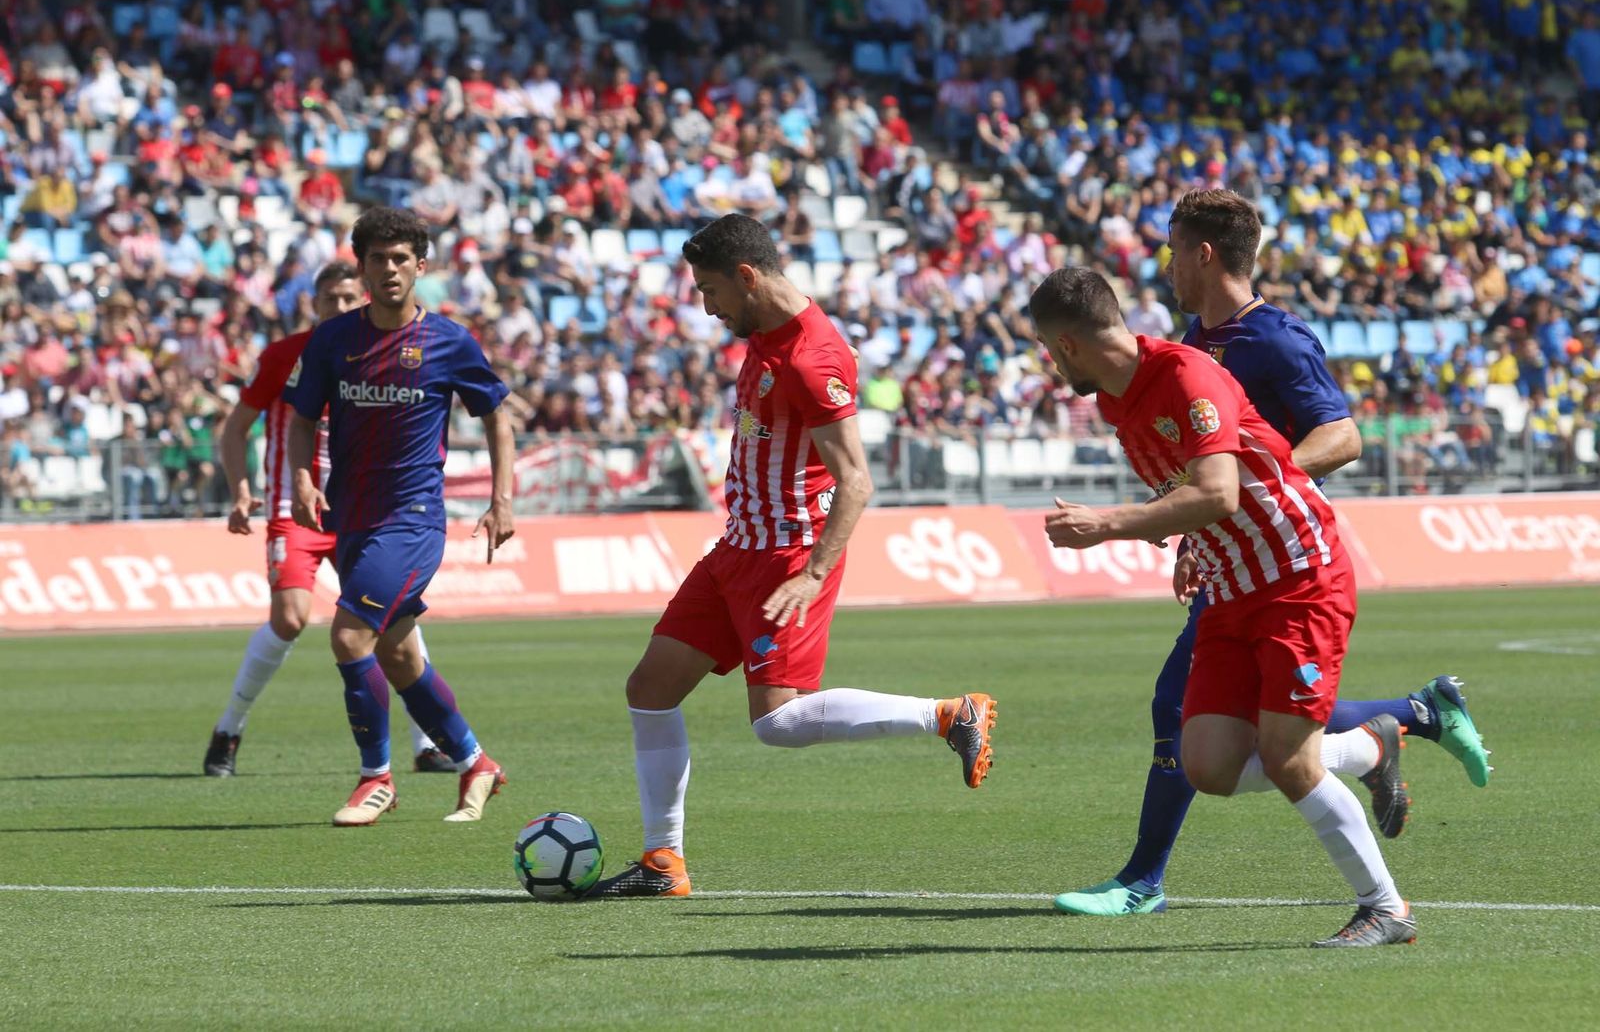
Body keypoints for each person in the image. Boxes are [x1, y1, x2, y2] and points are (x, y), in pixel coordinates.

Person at [1052, 190, 1490, 919]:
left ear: (1204, 253)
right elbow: (1201, 468)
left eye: (1171, 248)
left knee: (1210, 716)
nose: (1164, 265)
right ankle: (1397, 725)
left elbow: (1342, 435)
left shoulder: (1277, 340)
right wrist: (1200, 527)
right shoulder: (1187, 347)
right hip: (1232, 556)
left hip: (1285, 553)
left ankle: (1144, 878)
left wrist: (1258, 489)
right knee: (1223, 736)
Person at [588, 214, 997, 899]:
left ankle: (949, 713)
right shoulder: (765, 333)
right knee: (649, 689)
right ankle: (664, 862)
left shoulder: (813, 356)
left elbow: (857, 480)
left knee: (778, 722)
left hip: (786, 555)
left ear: (747, 277)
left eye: (711, 290)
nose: (706, 305)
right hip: (736, 547)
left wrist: (811, 574)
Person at [1034, 267, 1415, 948]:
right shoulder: (1121, 399)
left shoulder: (1185, 375)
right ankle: (1367, 743)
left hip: (1298, 574)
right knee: (1205, 764)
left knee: (1289, 758)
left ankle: (1385, 907)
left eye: (1045, 350)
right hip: (1232, 586)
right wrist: (1178, 535)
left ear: (1066, 346)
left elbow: (1219, 492)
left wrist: (1111, 523)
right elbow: (1196, 489)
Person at [285, 207, 515, 826]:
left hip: (413, 520)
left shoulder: (447, 341)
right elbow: (302, 417)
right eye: (376, 259)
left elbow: (494, 412)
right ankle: (475, 763)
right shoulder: (333, 340)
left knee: (348, 635)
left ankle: (375, 777)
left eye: (399, 258)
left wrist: (502, 498)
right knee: (400, 657)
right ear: (360, 266)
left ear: (421, 265)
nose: (388, 269)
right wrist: (304, 477)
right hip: (351, 518)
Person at [203, 261, 453, 778]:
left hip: (362, 507)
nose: (338, 308)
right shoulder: (283, 356)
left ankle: (427, 744)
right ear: (312, 303)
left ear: (360, 299)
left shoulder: (378, 349)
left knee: (394, 617)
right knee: (291, 617)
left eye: (346, 299)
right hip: (295, 509)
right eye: (328, 300)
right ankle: (229, 730)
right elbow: (236, 429)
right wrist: (240, 490)